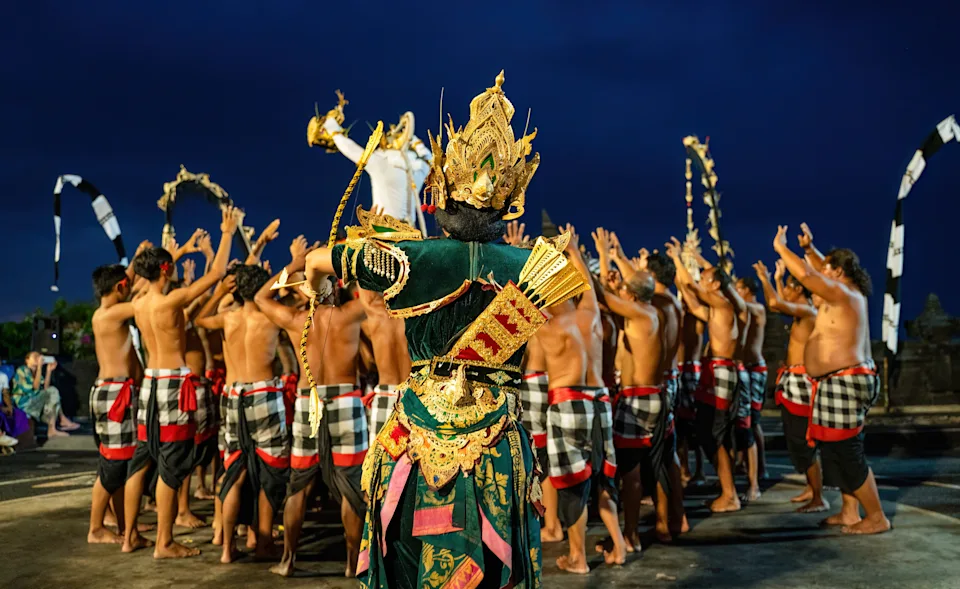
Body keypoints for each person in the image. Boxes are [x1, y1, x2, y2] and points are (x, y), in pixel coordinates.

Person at [303, 72, 581, 588]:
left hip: (418, 430)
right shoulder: (531, 265)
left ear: (444, 194)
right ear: (508, 203)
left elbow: (319, 259)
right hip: (495, 432)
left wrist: (320, 291)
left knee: (411, 549)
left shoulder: (408, 258)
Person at [123, 207, 237, 558]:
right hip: (173, 386)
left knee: (141, 460)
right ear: (166, 270)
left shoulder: (139, 303)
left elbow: (149, 273)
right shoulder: (171, 301)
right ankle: (163, 542)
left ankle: (129, 538)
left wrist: (177, 251)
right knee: (172, 465)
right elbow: (218, 272)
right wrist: (227, 232)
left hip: (149, 385)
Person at [254, 236, 368, 577]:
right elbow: (380, 292)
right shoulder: (349, 313)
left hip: (310, 400)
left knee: (299, 483)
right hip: (346, 399)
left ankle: (288, 561)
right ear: (335, 288)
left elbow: (261, 296)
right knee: (350, 483)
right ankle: (351, 564)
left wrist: (295, 263)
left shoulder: (294, 319)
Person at [773, 225, 889, 534]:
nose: (820, 272)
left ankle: (876, 516)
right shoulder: (844, 290)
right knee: (837, 450)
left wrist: (783, 249)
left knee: (847, 451)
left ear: (837, 272)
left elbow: (810, 277)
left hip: (845, 381)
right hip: (836, 381)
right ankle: (850, 511)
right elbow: (817, 271)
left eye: (826, 268)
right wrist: (810, 250)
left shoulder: (843, 291)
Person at [539, 225, 626, 572]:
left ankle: (577, 557)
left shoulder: (545, 323)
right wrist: (574, 249)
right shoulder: (592, 317)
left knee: (572, 484)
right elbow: (588, 284)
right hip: (600, 401)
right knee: (602, 477)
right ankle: (618, 546)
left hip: (567, 404)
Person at [195, 264, 290, 564]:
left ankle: (226, 548)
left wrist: (220, 292)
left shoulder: (227, 317)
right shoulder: (270, 316)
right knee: (269, 471)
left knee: (234, 471)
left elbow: (198, 319)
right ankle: (262, 541)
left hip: (233, 395)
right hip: (264, 394)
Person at [666, 238, 748, 513]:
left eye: (706, 277)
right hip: (717, 371)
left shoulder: (721, 301)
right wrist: (687, 269)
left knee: (713, 434)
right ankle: (728, 491)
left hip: (721, 372)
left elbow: (692, 288)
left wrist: (678, 259)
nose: (701, 278)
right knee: (709, 433)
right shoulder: (719, 307)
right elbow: (690, 295)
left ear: (715, 284)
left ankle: (730, 494)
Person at [755, 259, 827, 512]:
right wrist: (775, 280)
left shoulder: (808, 311)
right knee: (795, 439)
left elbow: (774, 303)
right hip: (792, 381)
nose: (783, 290)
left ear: (797, 289)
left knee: (803, 440)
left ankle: (819, 497)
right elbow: (777, 305)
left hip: (802, 384)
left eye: (787, 286)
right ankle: (811, 488)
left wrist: (765, 278)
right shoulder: (800, 310)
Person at [88, 264, 143, 544]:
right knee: (113, 466)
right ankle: (96, 528)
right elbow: (147, 301)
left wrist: (134, 267)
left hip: (114, 392)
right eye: (127, 284)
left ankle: (125, 529)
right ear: (120, 287)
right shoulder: (112, 313)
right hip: (114, 395)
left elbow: (132, 287)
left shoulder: (104, 311)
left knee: (120, 466)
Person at [358, 288, 411, 437]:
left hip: (385, 397)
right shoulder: (418, 312)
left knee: (378, 460)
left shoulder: (375, 311)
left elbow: (358, 273)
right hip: (414, 395)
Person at [735, 275, 767, 500]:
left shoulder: (757, 308)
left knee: (753, 422)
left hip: (755, 369)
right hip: (744, 369)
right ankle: (749, 464)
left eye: (738, 287)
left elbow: (738, 304)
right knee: (747, 421)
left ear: (746, 289)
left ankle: (759, 470)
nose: (735, 291)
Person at [12, 352, 79, 436]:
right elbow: (35, 388)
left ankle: (58, 423)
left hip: (35, 402)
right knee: (53, 391)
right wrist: (40, 367)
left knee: (52, 393)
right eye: (35, 356)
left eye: (39, 356)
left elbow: (45, 389)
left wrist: (48, 371)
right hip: (25, 404)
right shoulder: (21, 370)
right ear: (27, 360)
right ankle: (59, 422)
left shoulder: (37, 373)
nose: (38, 358)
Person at [677, 303, 706, 485]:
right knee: (681, 428)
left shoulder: (697, 318)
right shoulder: (680, 314)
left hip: (690, 371)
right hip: (682, 371)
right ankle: (685, 469)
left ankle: (698, 471)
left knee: (694, 427)